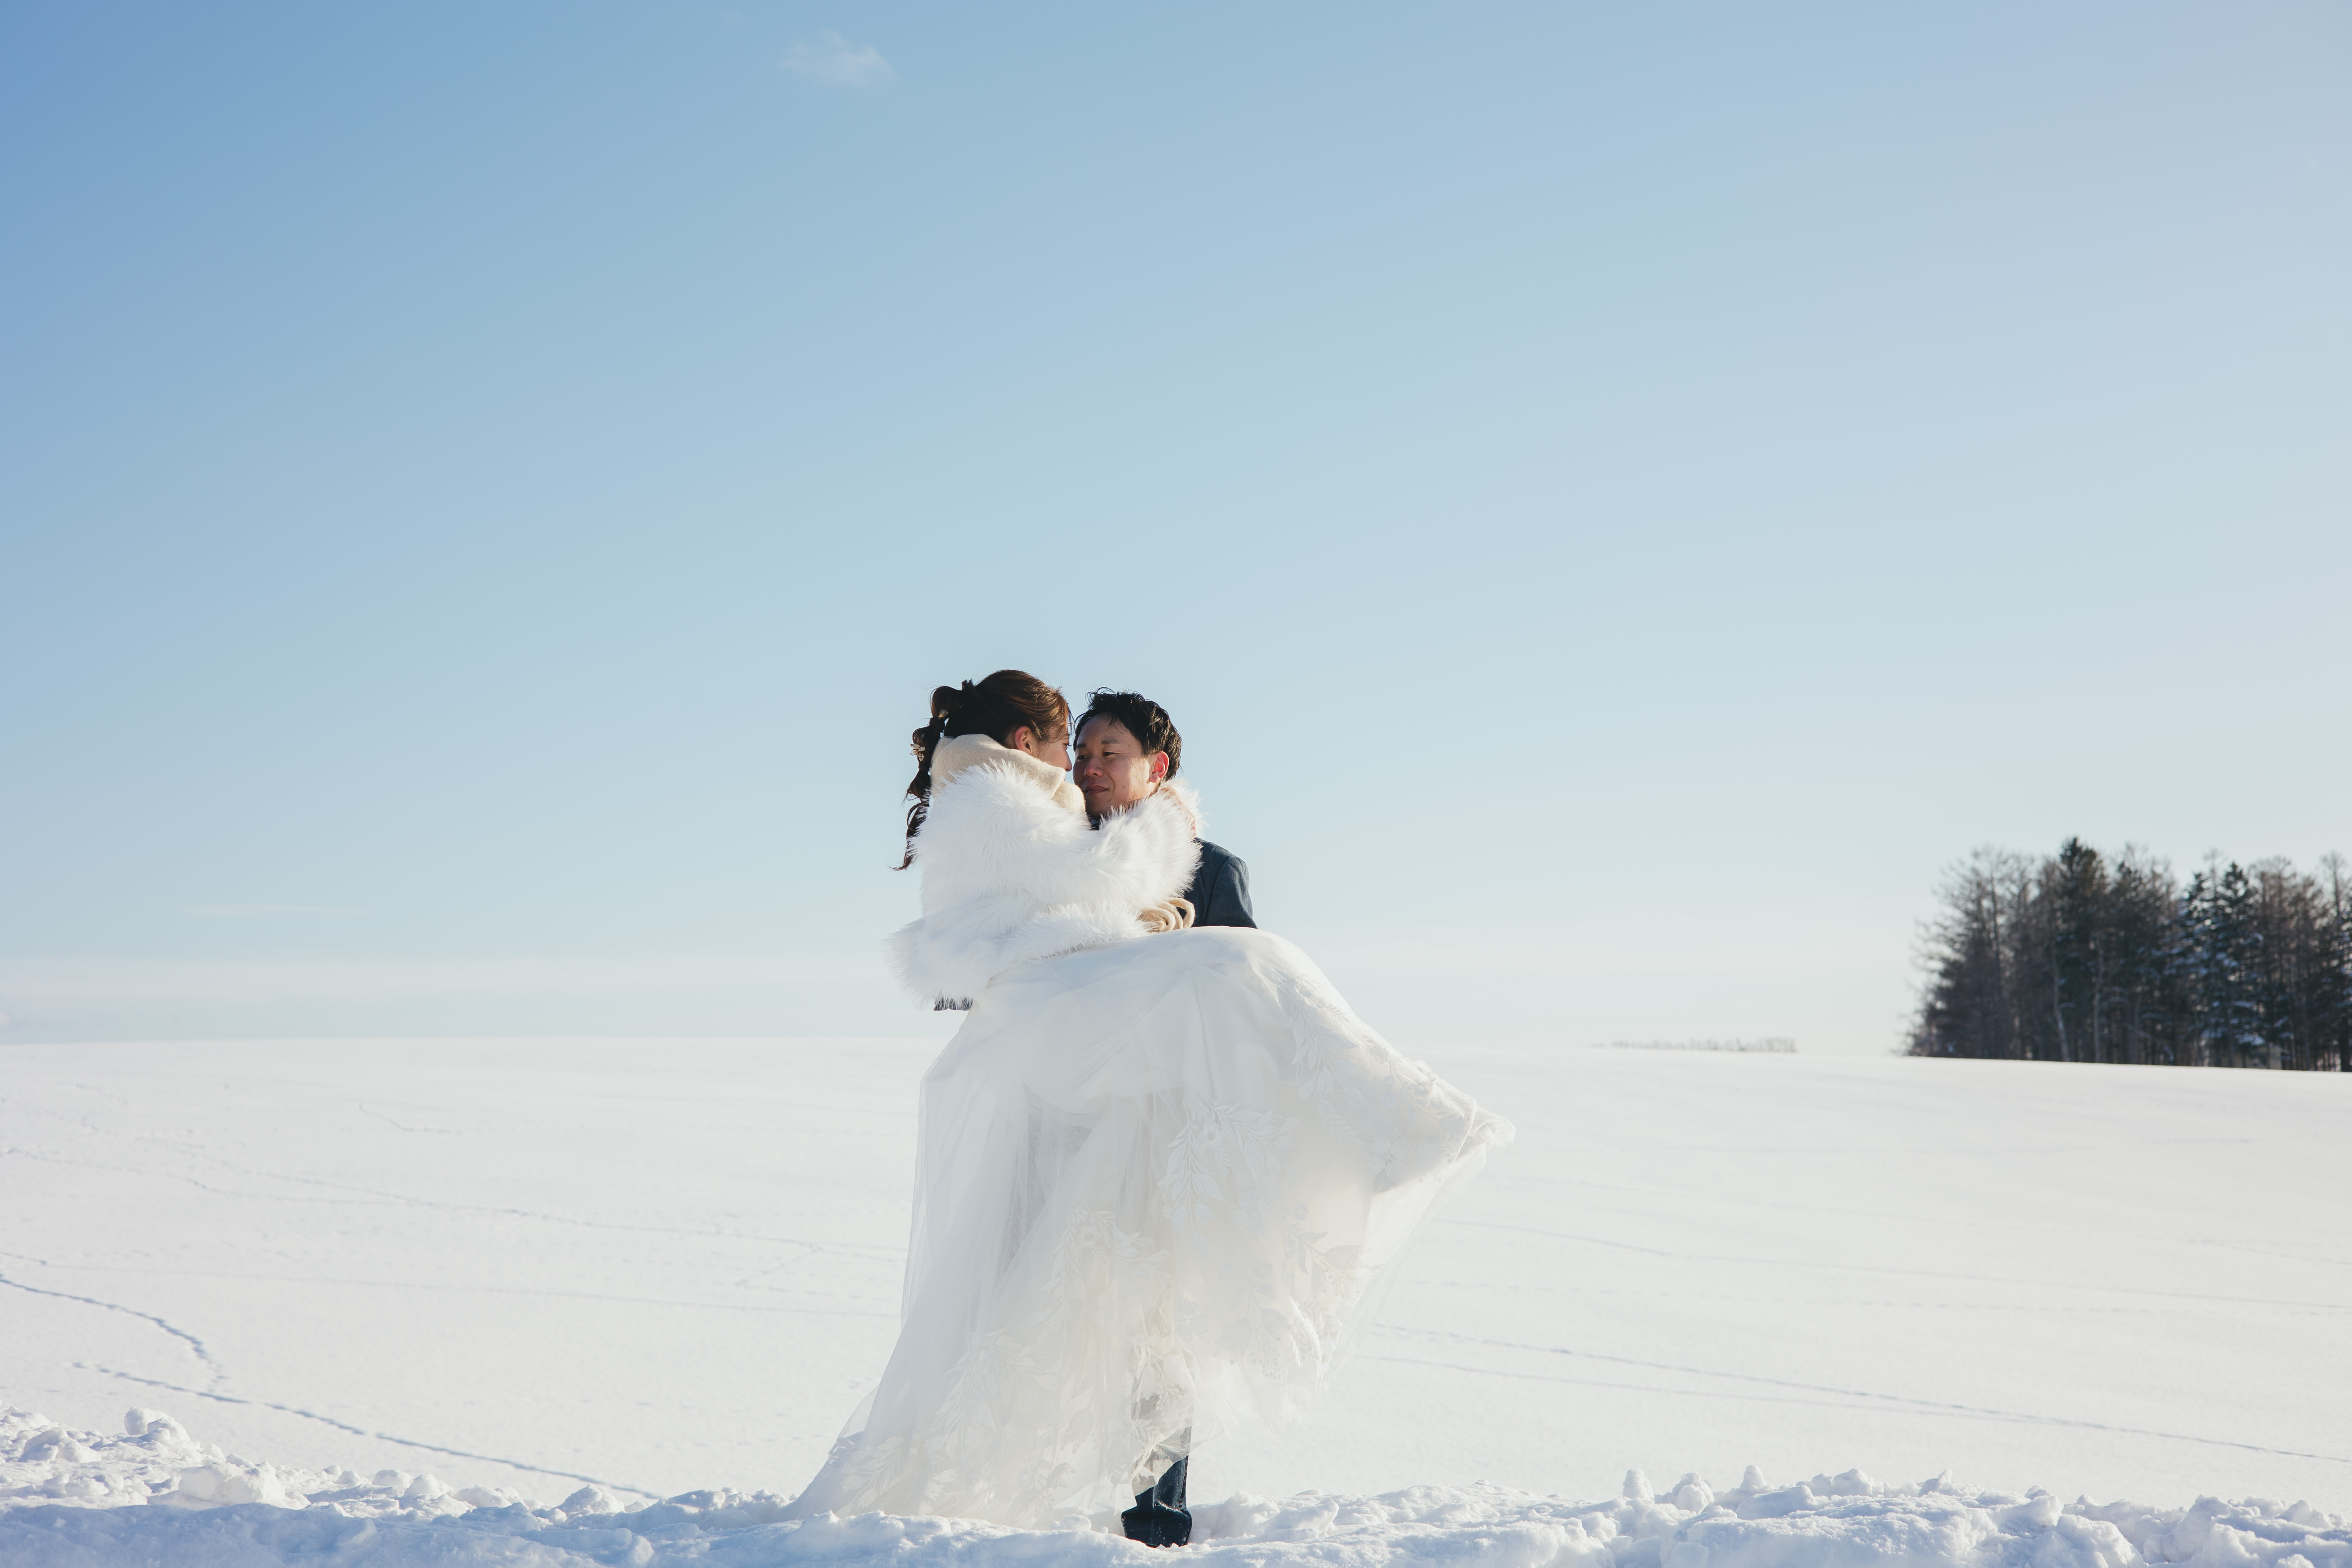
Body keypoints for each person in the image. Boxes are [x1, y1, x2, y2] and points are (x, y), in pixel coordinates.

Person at [781, 670, 1510, 1544]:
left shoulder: (1209, 867)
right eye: (1080, 749)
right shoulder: (1053, 838)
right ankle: (959, 1483)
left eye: (1108, 752)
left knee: (1158, 1329)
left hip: (1165, 1132)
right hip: (1062, 1122)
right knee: (1016, 1307)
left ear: (1156, 768)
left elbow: (1245, 1028)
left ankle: (1155, 1521)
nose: (1087, 765)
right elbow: (1010, 964)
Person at [1071, 690, 1255, 930]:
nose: (1090, 769)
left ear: (1157, 767)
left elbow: (1235, 953)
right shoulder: (1047, 852)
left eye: (1109, 754)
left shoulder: (1214, 870)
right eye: (1082, 756)